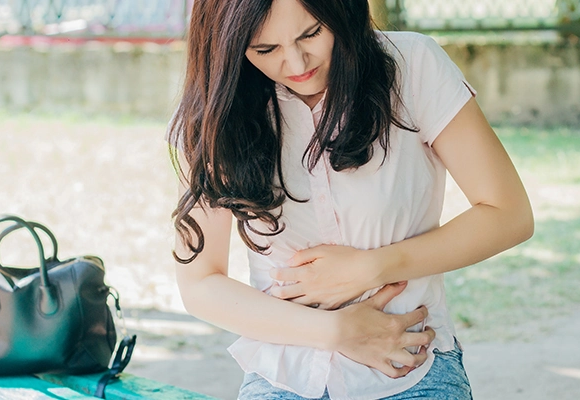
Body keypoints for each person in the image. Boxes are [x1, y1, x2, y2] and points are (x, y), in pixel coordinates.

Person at [166, 0, 534, 398]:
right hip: (287, 373)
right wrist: (338, 331)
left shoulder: (413, 66)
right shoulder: (218, 112)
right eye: (265, 49)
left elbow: (508, 213)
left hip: (411, 363)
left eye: (311, 34)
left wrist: (372, 267)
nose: (295, 62)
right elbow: (200, 284)